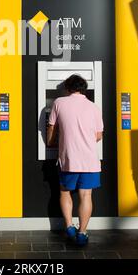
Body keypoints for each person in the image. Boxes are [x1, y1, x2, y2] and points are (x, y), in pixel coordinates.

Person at [47, 74, 103, 246]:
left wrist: (51, 143)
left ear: (67, 88)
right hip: (89, 160)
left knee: (64, 192)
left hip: (68, 158)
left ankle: (70, 226)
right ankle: (82, 233)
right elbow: (99, 135)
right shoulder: (94, 107)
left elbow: (51, 128)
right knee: (86, 195)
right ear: (84, 88)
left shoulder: (58, 103)